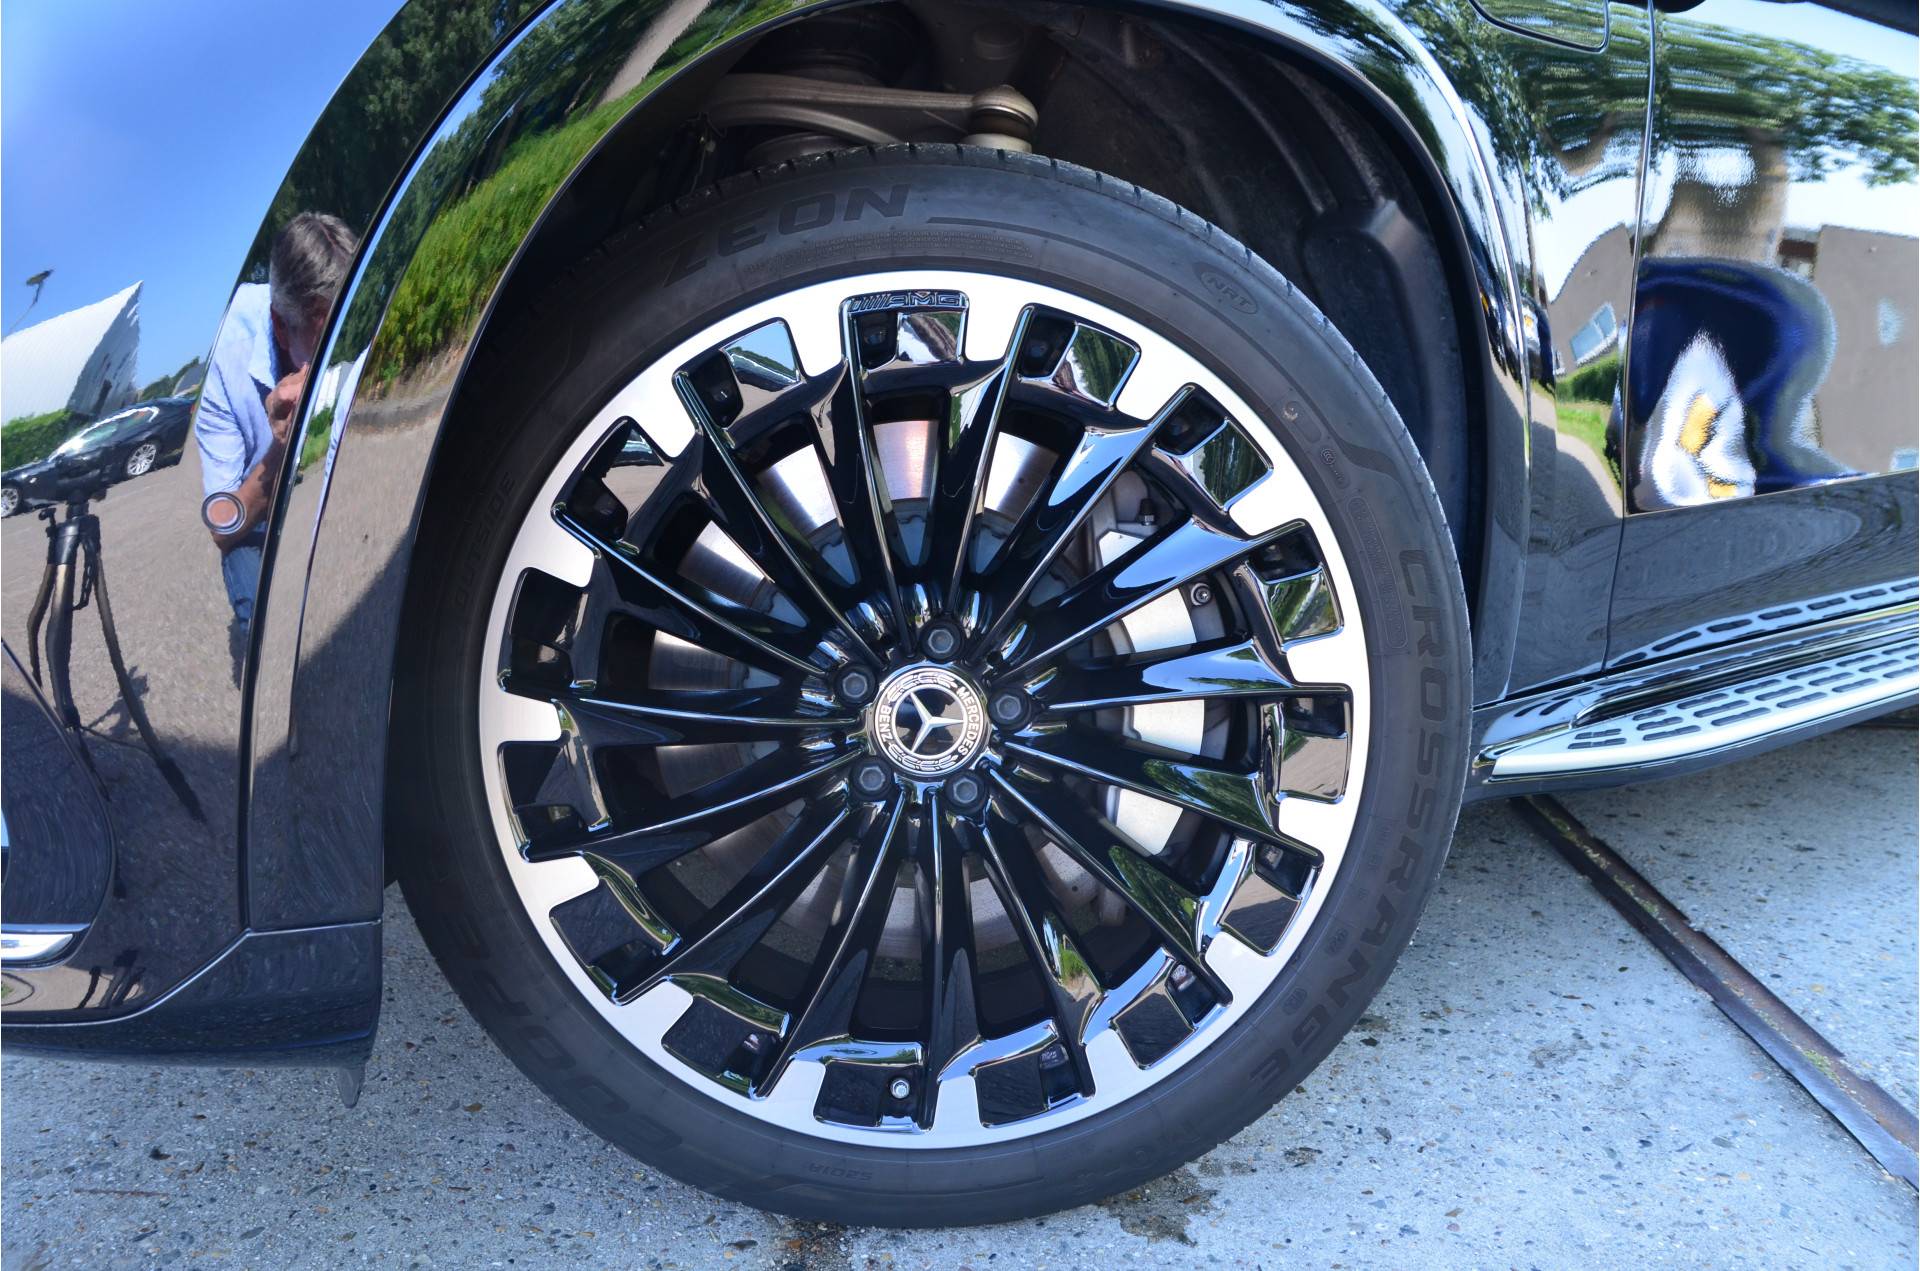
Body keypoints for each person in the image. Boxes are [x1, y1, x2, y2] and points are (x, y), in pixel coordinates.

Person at [195, 213, 356, 672]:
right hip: (258, 526)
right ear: (281, 328)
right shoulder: (224, 367)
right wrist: (281, 447)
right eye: (323, 347)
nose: (337, 359)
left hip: (327, 491)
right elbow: (223, 527)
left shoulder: (349, 304)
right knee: (270, 627)